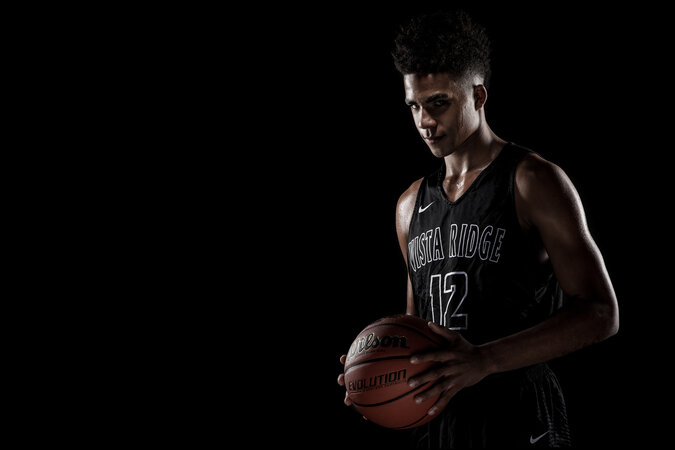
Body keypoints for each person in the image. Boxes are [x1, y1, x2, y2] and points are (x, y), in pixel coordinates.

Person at [337, 9, 619, 448]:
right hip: (444, 419)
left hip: (520, 413)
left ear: (478, 95)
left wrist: (484, 360)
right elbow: (415, 330)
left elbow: (601, 313)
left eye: (438, 103)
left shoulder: (532, 180)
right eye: (414, 105)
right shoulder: (409, 206)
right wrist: (377, 372)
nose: (424, 121)